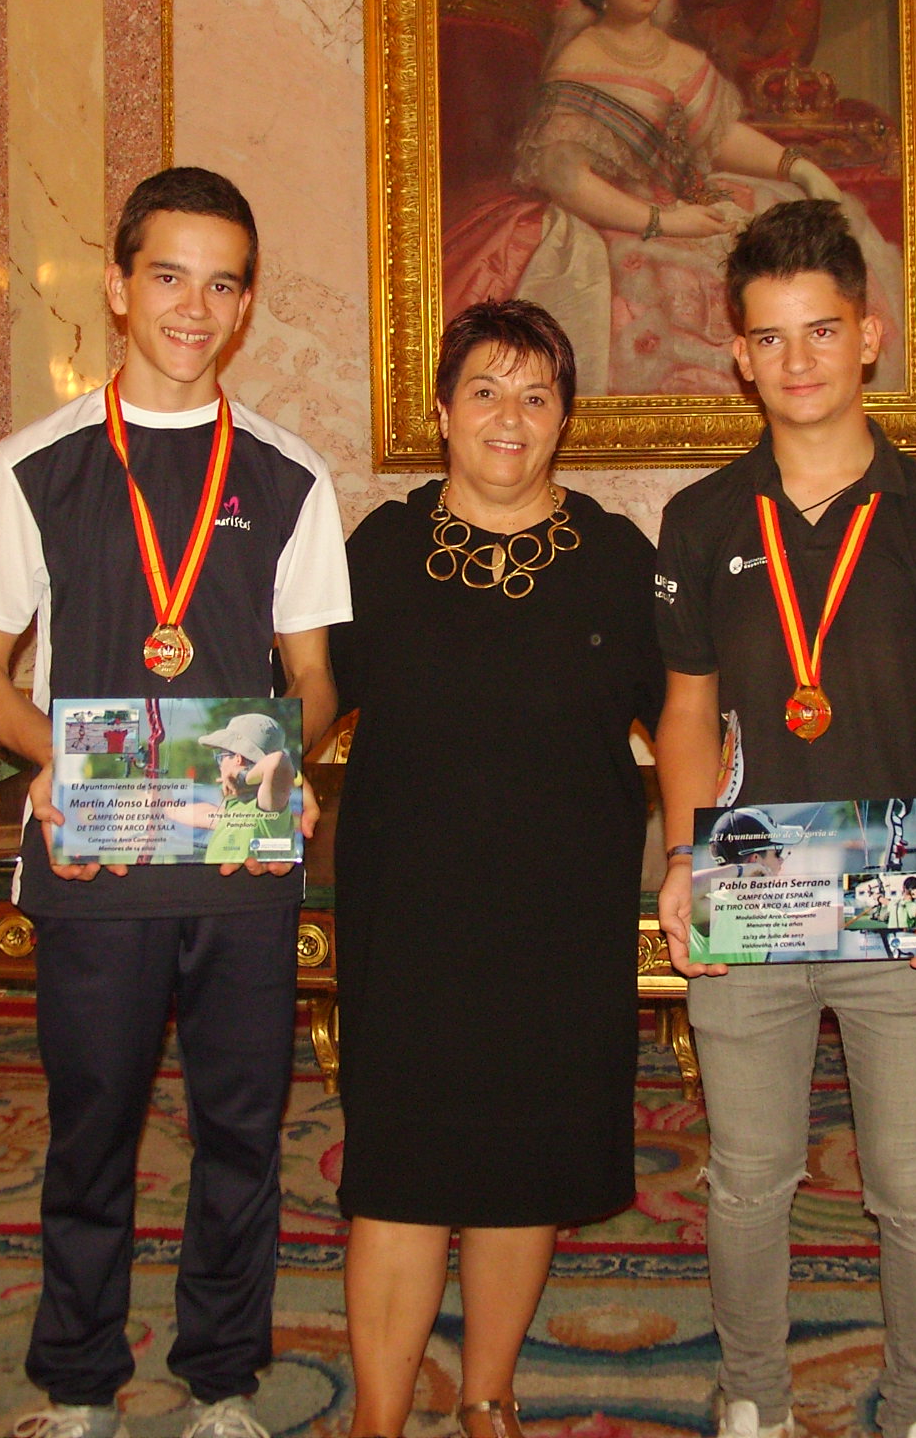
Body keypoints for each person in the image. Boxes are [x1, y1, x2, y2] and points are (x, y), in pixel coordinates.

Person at [0, 167, 352, 1438]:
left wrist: (288, 759)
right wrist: (51, 763)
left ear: (245, 305)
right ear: (118, 287)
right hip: (93, 854)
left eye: (222, 284)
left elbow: (315, 681)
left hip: (237, 858)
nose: (193, 307)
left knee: (242, 1132)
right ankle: (78, 1383)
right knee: (92, 1132)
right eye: (169, 276)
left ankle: (222, 1380)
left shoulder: (288, 475)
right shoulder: (35, 466)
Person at [654, 199, 916, 1438]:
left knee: (910, 1185)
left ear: (870, 335)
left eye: (821, 330)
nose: (797, 358)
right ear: (738, 357)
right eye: (770, 336)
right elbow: (686, 714)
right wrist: (685, 857)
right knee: (749, 1179)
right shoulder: (702, 519)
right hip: (750, 887)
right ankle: (753, 1393)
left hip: (898, 883)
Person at [328, 299, 664, 1438]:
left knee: (528, 1156)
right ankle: (378, 1421)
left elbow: (692, 720)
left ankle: (486, 1395)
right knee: (402, 1164)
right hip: (408, 909)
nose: (509, 417)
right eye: (484, 391)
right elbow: (303, 700)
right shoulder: (378, 552)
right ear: (441, 411)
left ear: (566, 417)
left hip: (561, 914)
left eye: (535, 394)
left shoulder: (617, 560)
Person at [443, 0, 904, 395]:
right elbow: (567, 179)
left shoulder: (680, 56)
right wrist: (664, 221)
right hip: (617, 219)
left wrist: (798, 167)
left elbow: (718, 137)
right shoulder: (580, 59)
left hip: (693, 199)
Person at [169, 713, 299, 865]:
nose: (220, 765)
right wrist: (166, 806)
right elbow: (203, 814)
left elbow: (279, 761)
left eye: (221, 757)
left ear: (238, 758)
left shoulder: (269, 807)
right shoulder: (238, 810)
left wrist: (242, 776)